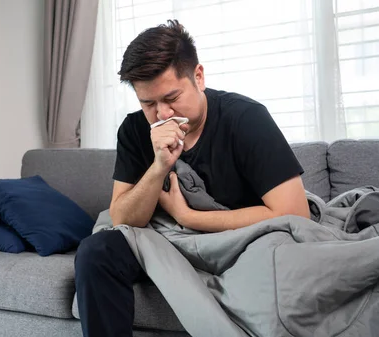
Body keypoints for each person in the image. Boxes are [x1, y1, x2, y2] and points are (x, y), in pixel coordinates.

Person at [74, 20, 310, 337]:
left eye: (171, 97)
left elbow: (295, 213)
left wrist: (188, 216)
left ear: (198, 76)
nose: (162, 114)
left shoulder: (246, 118)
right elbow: (122, 218)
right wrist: (158, 167)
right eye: (148, 103)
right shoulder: (133, 130)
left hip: (242, 241)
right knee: (97, 250)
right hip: (168, 241)